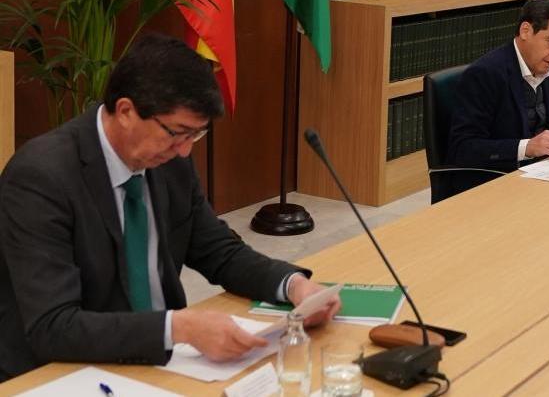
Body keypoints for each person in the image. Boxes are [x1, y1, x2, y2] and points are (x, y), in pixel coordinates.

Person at [0, 34, 339, 381]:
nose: (184, 151)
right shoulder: (41, 178)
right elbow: (53, 326)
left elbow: (218, 250)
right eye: (178, 133)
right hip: (67, 372)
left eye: (196, 135)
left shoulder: (168, 161)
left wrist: (293, 285)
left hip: (167, 363)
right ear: (127, 111)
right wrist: (177, 327)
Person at [448, 0, 549, 172]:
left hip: (535, 171)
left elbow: (537, 127)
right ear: (526, 31)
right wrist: (526, 148)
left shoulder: (544, 65)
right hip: (493, 180)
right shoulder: (486, 73)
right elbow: (463, 148)